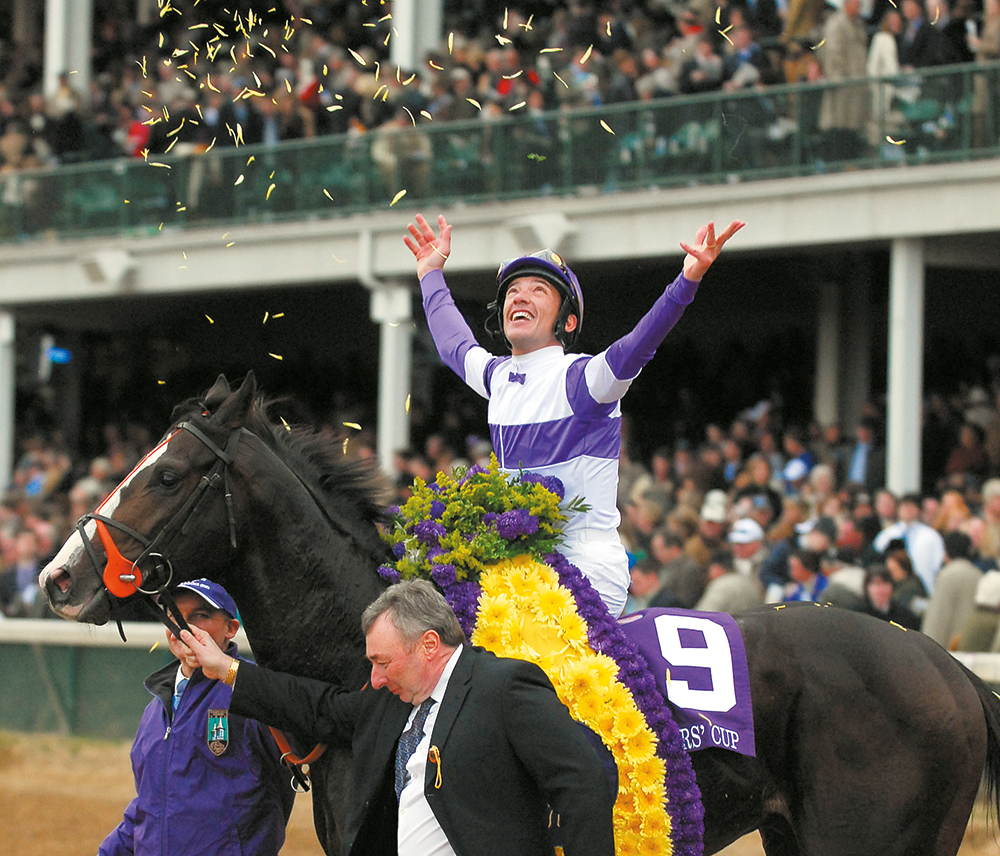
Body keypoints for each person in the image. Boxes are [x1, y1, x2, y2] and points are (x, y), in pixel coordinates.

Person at [404, 212, 744, 617]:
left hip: (587, 570)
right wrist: (430, 274)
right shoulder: (498, 377)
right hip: (521, 567)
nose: (519, 296)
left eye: (537, 290)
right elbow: (452, 344)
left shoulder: (582, 379)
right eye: (512, 290)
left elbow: (638, 345)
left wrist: (685, 282)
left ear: (566, 321)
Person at [179, 579, 616, 856]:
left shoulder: (503, 687)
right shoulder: (389, 701)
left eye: (383, 662)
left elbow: (584, 781)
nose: (375, 677)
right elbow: (320, 707)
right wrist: (227, 669)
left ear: (428, 644)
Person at [99, 579, 293, 856]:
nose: (183, 626)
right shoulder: (155, 710)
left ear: (231, 628)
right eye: (174, 616)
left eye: (200, 616)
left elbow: (307, 742)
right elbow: (149, 808)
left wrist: (233, 674)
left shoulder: (254, 693)